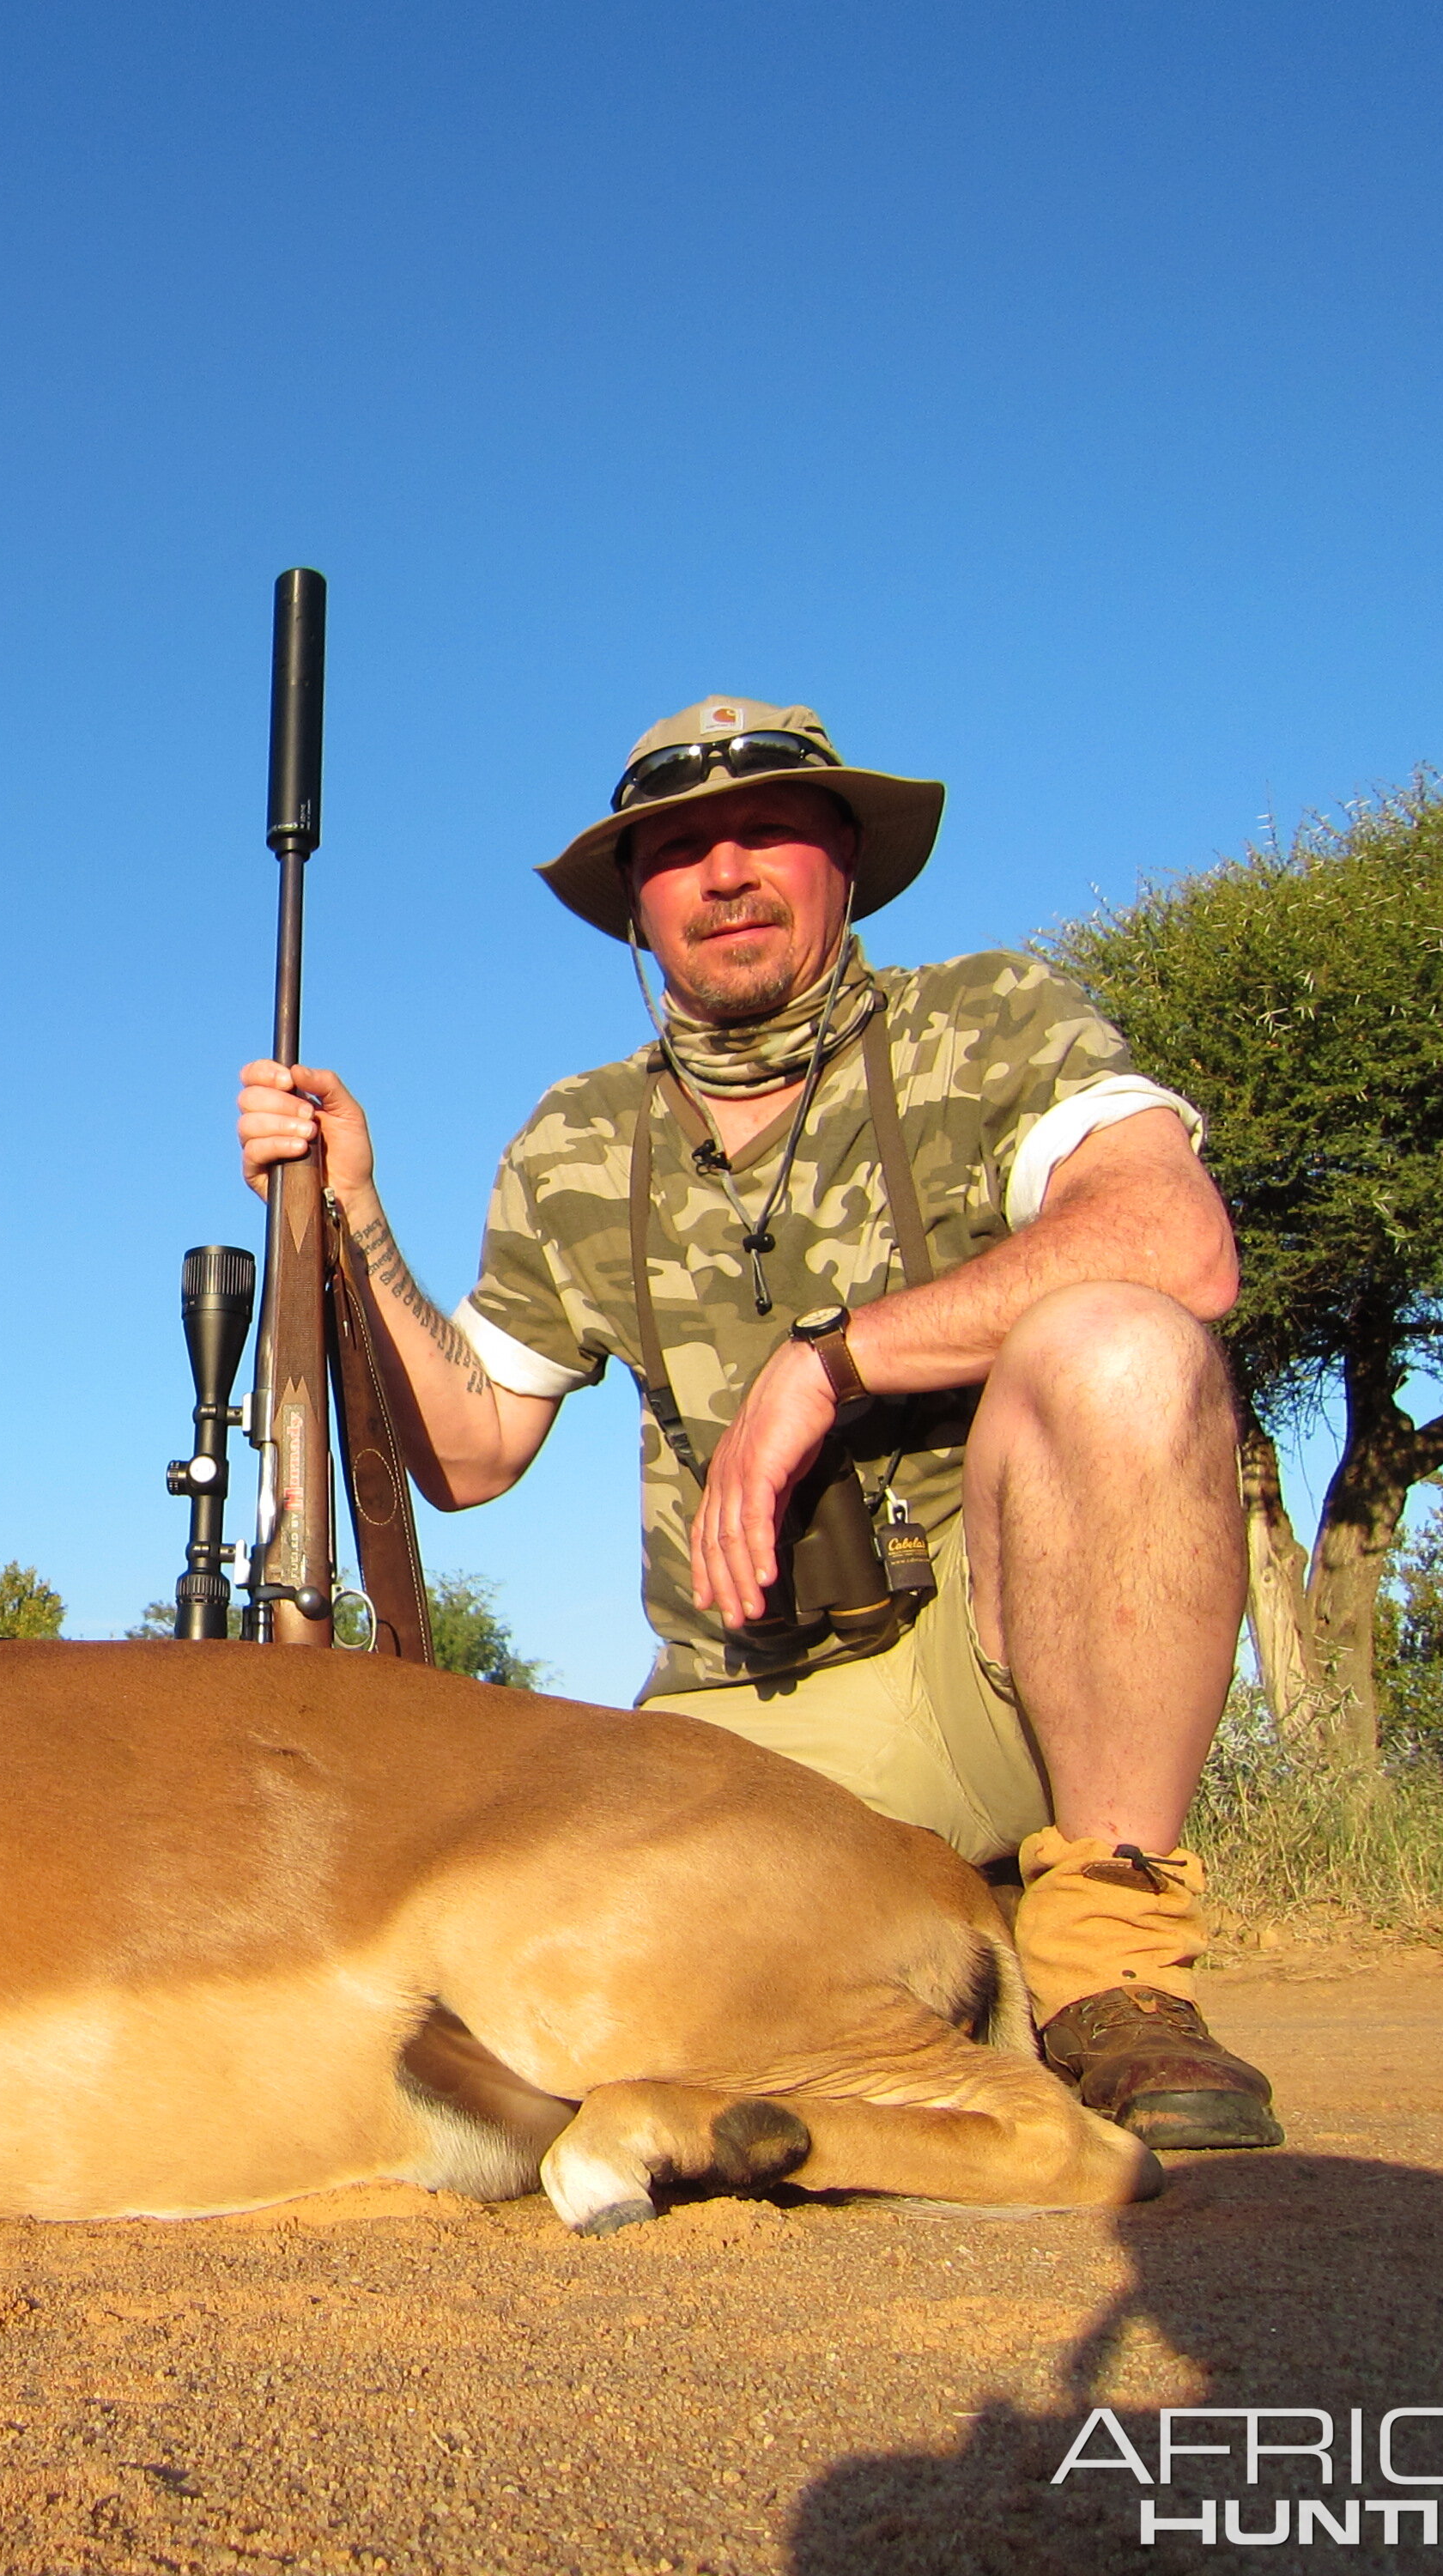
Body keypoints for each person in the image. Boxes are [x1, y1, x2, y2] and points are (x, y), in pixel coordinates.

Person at [236, 693, 1277, 2147]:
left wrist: (826, 1367)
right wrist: (351, 1210)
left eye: (769, 831)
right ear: (635, 910)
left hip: (1008, 1675)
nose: (725, 874)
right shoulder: (577, 1138)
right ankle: (893, 1967)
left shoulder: (986, 1021)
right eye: (677, 851)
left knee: (1126, 1346)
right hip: (748, 1723)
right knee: (526, 2005)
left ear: (847, 861)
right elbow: (466, 1458)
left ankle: (1114, 1974)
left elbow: (1178, 1245)